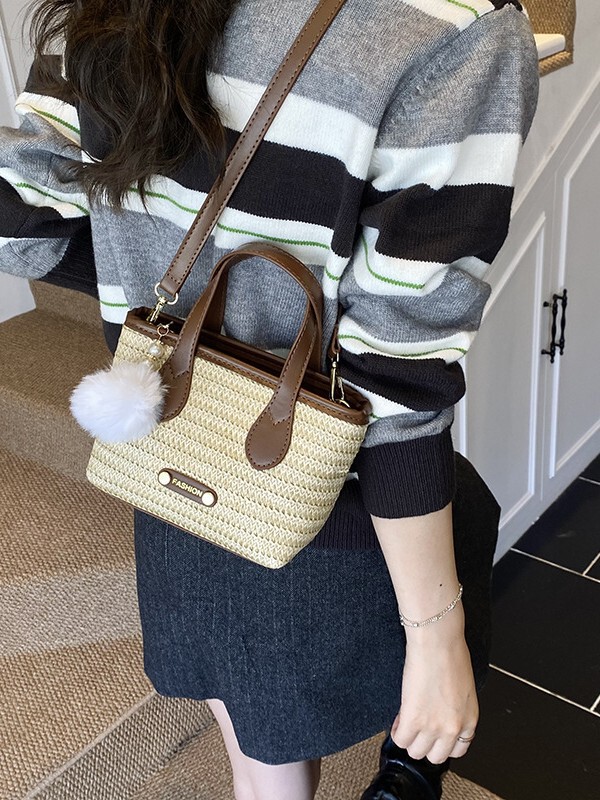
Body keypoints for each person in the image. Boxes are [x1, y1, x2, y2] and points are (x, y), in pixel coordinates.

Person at [0, 1, 539, 798]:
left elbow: (21, 225)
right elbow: (397, 379)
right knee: (282, 729)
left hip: (173, 436)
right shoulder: (458, 30)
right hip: (313, 487)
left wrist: (158, 302)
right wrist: (437, 635)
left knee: (255, 747)